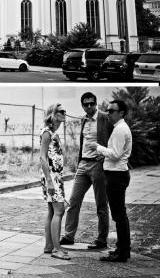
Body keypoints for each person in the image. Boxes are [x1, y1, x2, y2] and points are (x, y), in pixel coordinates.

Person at [60, 92, 112, 250]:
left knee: (101, 204)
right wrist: (79, 161)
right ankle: (69, 236)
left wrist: (107, 156)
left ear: (96, 104)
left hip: (98, 165)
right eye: (85, 104)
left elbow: (115, 138)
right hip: (83, 165)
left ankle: (101, 240)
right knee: (73, 202)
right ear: (82, 105)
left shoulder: (105, 118)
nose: (89, 106)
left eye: (91, 103)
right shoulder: (83, 119)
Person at [85, 99, 133, 263]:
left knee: (119, 215)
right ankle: (123, 249)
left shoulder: (119, 130)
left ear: (121, 113)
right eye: (107, 110)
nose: (108, 113)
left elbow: (116, 154)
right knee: (121, 215)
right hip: (117, 174)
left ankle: (122, 252)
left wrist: (98, 147)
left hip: (116, 176)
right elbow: (114, 153)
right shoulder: (120, 128)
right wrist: (103, 153)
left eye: (112, 110)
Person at [40, 103, 70, 261]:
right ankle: (57, 249)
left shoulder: (52, 132)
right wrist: (50, 182)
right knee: (59, 211)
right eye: (61, 111)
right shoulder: (47, 132)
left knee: (52, 211)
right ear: (53, 114)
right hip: (52, 177)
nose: (64, 113)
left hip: (55, 177)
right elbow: (42, 157)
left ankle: (49, 245)